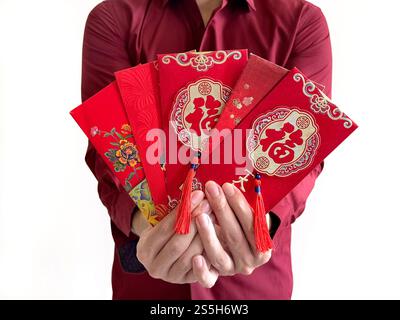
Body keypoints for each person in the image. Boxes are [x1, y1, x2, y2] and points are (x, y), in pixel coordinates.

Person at [82, 0, 331, 300]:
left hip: (252, 285)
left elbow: (307, 150)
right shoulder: (115, 19)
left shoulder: (300, 22)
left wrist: (262, 224)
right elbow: (107, 151)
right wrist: (147, 226)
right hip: (150, 283)